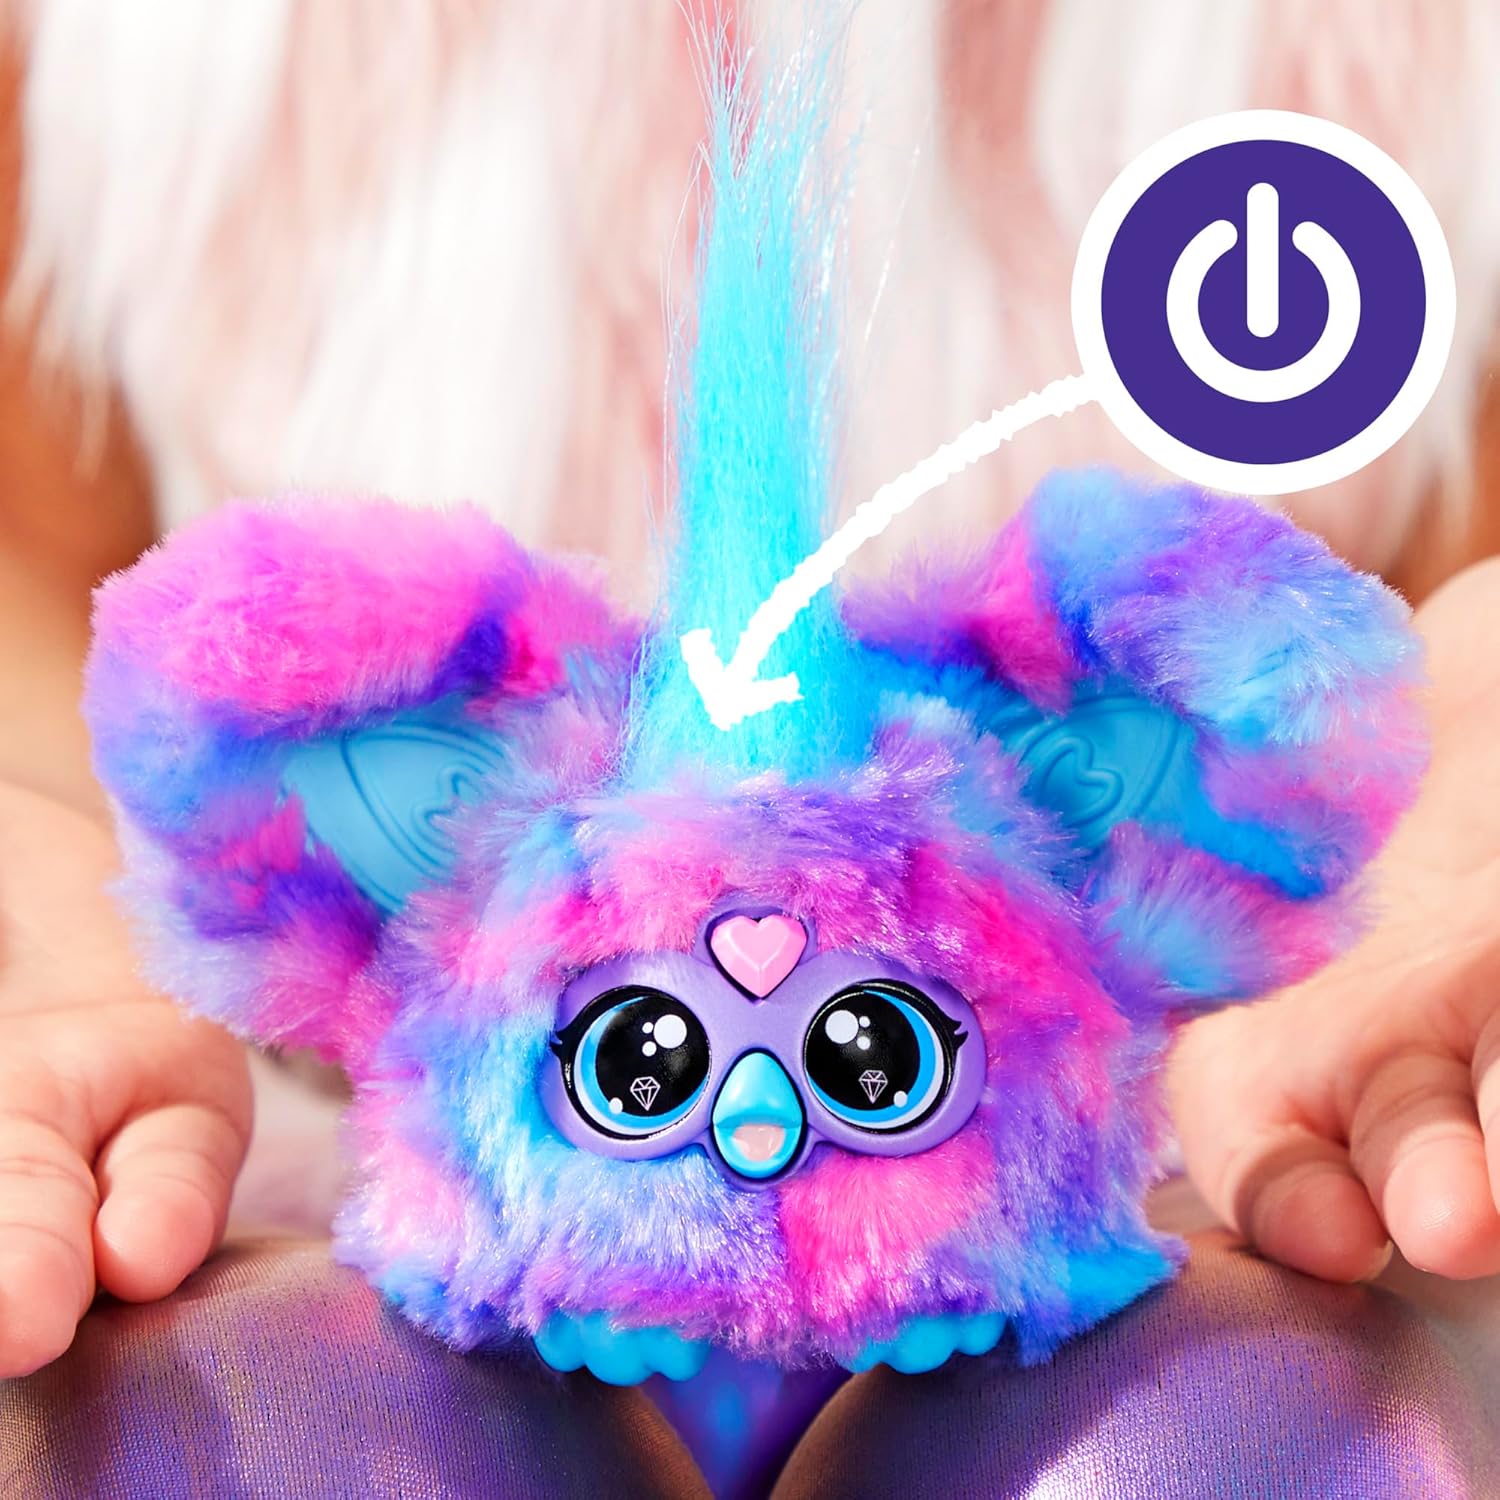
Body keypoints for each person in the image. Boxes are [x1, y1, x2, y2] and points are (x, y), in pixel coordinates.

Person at [1, 4, 1497, 1495]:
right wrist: (41, 843)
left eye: (867, 1064)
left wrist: (1464, 760)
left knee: (1231, 1446)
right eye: (643, 1061)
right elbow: (37, 557)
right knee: (258, 1442)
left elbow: (1418, 602)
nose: (766, 1121)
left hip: (1189, 1194)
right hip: (325, 1206)